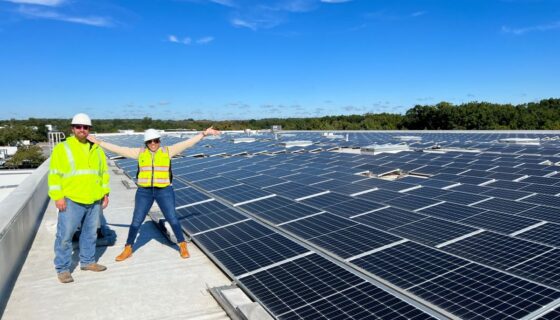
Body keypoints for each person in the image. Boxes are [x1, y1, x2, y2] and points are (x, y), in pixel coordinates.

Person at [87, 127, 220, 261]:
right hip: (144, 192)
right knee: (136, 221)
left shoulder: (168, 151)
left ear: (159, 141)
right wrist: (99, 142)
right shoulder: (140, 153)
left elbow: (187, 143)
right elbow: (119, 149)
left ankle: (182, 244)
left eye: (156, 141)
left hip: (164, 191)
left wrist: (203, 134)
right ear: (146, 143)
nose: (153, 144)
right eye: (150, 141)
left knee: (172, 218)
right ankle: (128, 248)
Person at [48, 113, 110, 283]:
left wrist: (105, 193)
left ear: (89, 129)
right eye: (78, 127)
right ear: (72, 128)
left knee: (90, 233)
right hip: (72, 199)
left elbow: (103, 173)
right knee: (65, 235)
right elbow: (54, 174)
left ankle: (88, 261)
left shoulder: (97, 149)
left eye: (85, 127)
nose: (82, 130)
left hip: (94, 198)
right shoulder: (63, 148)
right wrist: (58, 196)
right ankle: (62, 269)